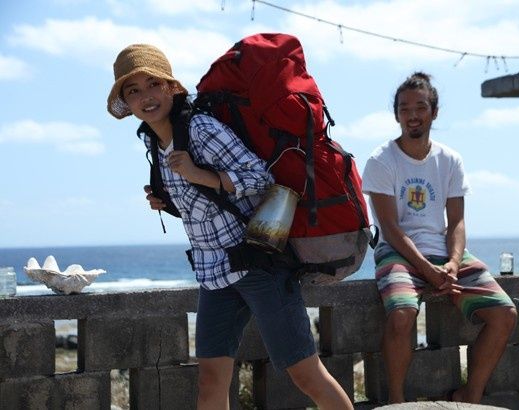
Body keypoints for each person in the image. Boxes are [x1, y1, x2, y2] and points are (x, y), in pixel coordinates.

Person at [107, 44, 352, 410]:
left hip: (258, 265)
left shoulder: (202, 129)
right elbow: (206, 205)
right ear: (127, 103)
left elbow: (259, 177)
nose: (146, 96)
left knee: (305, 374)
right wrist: (168, 202)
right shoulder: (155, 144)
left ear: (171, 88)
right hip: (213, 274)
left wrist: (199, 174)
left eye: (153, 84)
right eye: (133, 90)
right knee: (210, 382)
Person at [362, 72, 518, 404]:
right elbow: (389, 227)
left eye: (420, 107)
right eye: (404, 108)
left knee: (505, 314)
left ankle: (470, 395)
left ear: (434, 111)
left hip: (443, 251)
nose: (412, 115)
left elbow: (457, 221)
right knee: (402, 313)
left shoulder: (449, 160)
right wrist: (425, 269)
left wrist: (451, 262)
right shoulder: (381, 160)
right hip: (398, 253)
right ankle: (397, 401)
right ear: (396, 115)